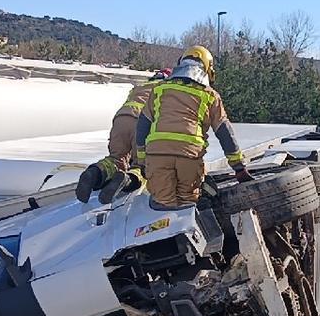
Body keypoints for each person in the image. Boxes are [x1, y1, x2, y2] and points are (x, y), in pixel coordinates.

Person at [133, 45, 252, 209]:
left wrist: (141, 160)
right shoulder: (210, 96)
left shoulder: (159, 89)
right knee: (187, 205)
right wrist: (238, 167)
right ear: (208, 69)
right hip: (189, 156)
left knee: (162, 204)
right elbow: (225, 133)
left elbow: (142, 126)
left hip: (157, 154)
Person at [76, 69, 170, 205]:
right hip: (142, 122)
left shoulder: (139, 87)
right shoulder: (166, 89)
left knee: (116, 159)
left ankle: (95, 173)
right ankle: (127, 179)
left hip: (121, 119)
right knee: (142, 166)